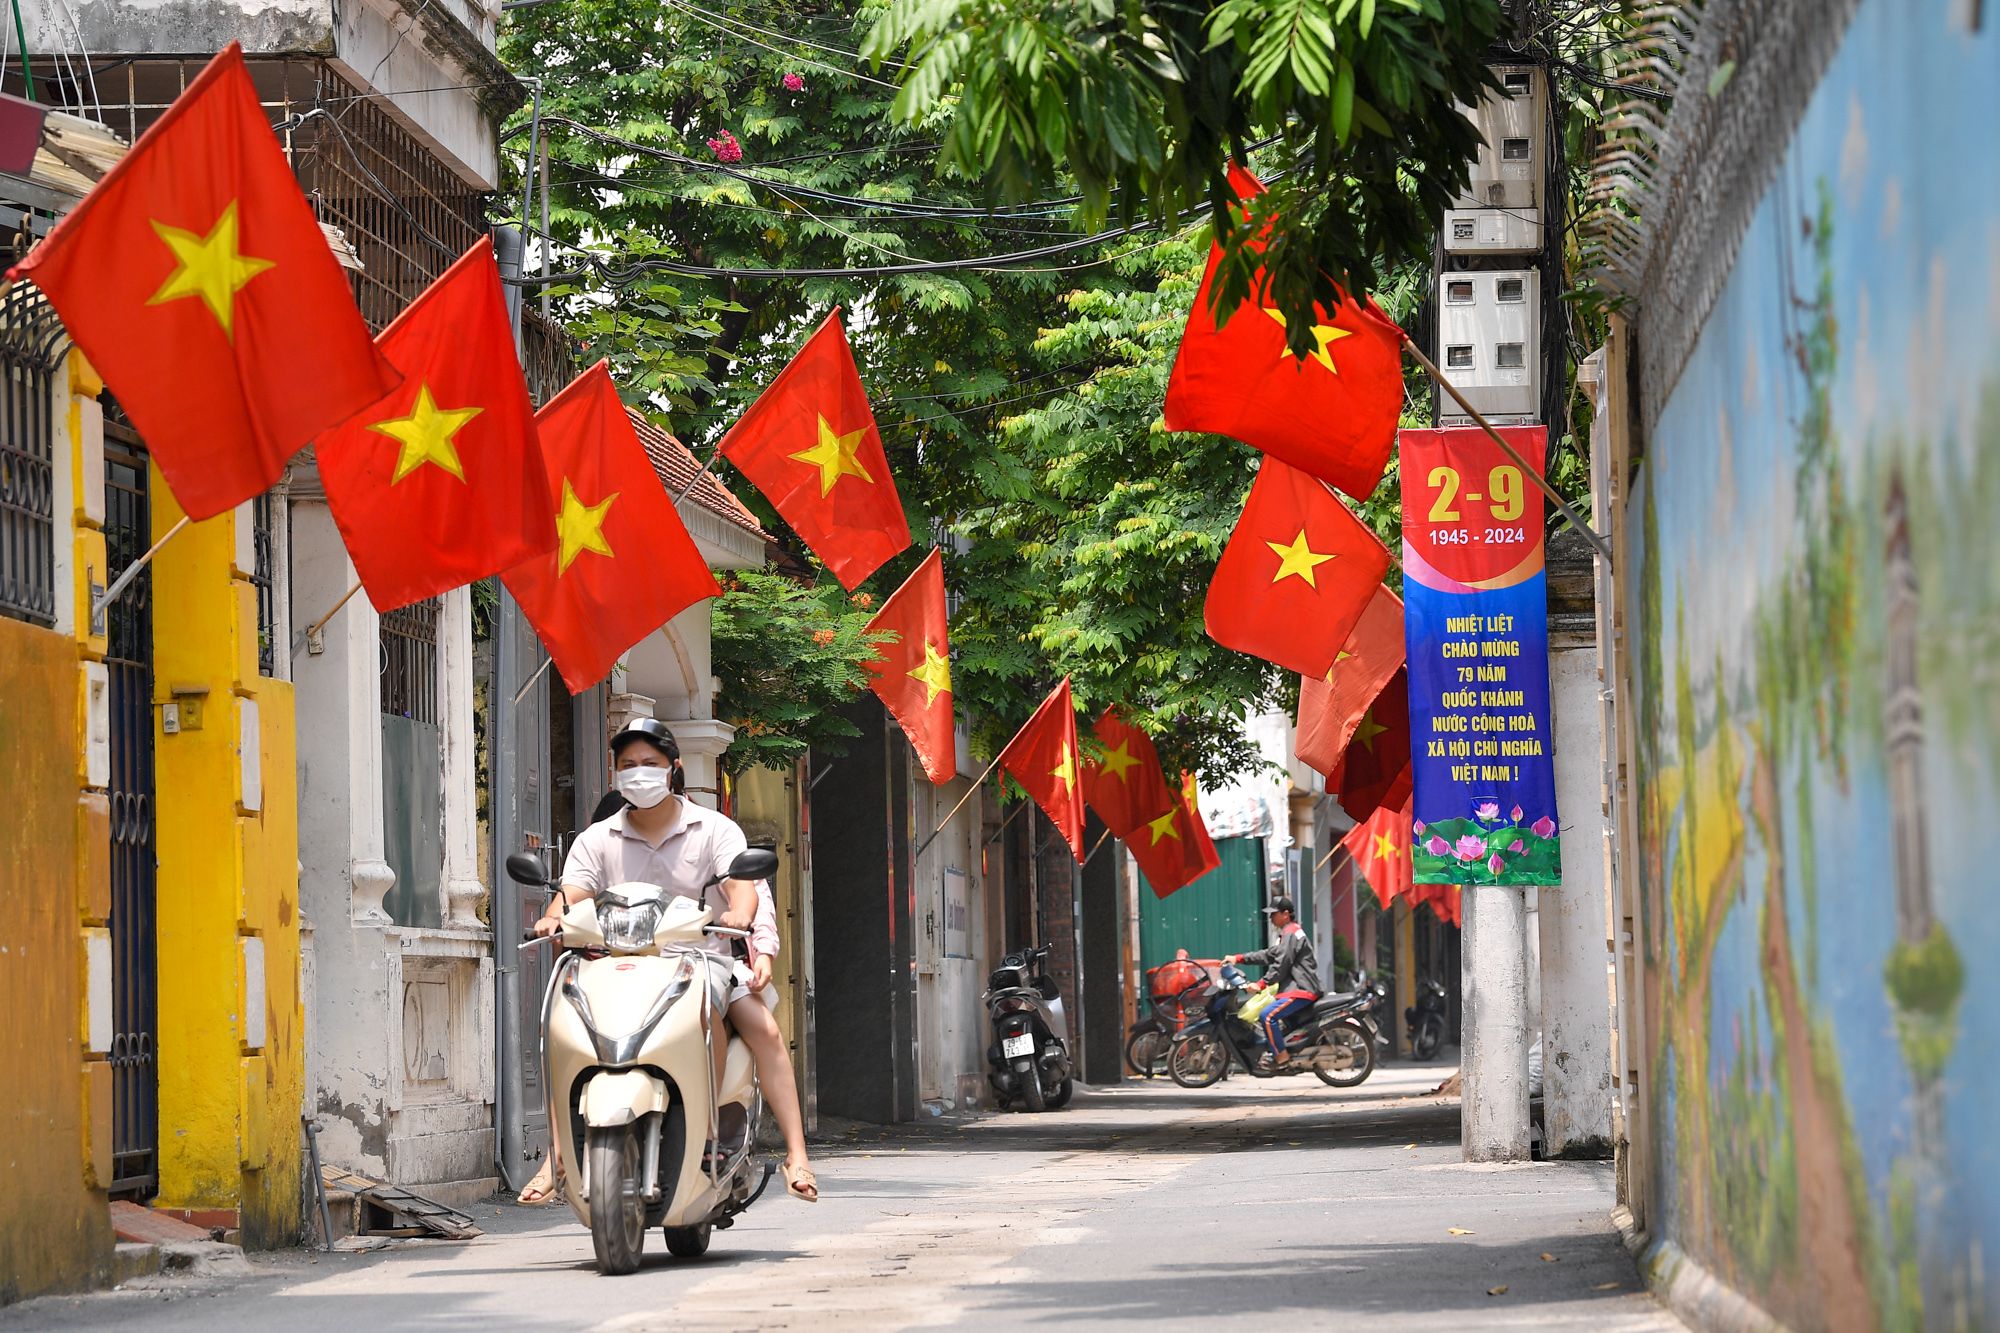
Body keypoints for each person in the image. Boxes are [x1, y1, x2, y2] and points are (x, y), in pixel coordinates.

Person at [517, 719, 817, 1204]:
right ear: (615, 773)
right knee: (559, 1028)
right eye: (629, 766)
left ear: (672, 769)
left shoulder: (714, 829)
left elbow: (743, 888)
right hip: (614, 964)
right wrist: (555, 918)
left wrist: (741, 917)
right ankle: (555, 1154)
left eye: (650, 765)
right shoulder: (596, 839)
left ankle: (794, 1153)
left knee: (760, 1027)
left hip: (701, 962)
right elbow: (572, 893)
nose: (639, 774)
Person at [1225, 897, 1322, 1071]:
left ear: (1285, 914)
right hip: (1295, 989)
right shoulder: (1288, 934)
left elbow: (1281, 963)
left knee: (1267, 1016)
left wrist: (1261, 984)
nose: (1271, 919)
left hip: (1301, 989)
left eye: (1273, 914)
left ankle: (1281, 1058)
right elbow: (1268, 955)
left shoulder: (1291, 933)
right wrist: (1238, 958)